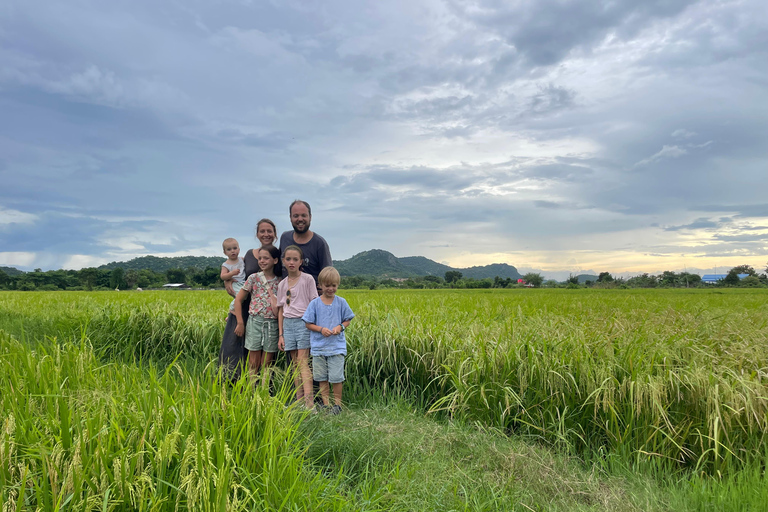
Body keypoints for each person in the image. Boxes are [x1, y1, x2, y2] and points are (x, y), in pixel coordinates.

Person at [219, 219, 280, 381]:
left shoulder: (278, 254)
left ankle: (266, 388)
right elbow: (240, 276)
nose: (266, 234)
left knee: (267, 357)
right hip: (250, 311)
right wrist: (228, 280)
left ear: (275, 233)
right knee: (239, 349)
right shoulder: (249, 256)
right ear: (257, 234)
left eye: (269, 231)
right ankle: (237, 384)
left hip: (270, 318)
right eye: (262, 231)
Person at [302, 267, 354, 414]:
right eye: (327, 285)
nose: (330, 289)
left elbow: (347, 319)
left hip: (337, 347)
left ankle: (337, 405)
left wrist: (340, 327)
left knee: (336, 377)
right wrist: (321, 329)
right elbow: (308, 323)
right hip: (318, 347)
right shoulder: (314, 304)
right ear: (320, 285)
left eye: (334, 286)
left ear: (337, 285)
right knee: (321, 377)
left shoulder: (341, 302)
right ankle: (325, 404)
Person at [277, 245, 318, 409]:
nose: (291, 262)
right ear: (283, 261)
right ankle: (299, 401)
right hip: (288, 324)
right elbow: (280, 309)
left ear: (301, 261)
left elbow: (314, 304)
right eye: (288, 259)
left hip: (303, 323)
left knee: (303, 362)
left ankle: (310, 405)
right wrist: (281, 334)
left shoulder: (308, 279)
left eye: (295, 259)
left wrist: (311, 326)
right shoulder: (282, 284)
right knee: (294, 364)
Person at [232, 245, 281, 380]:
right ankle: (251, 394)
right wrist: (240, 323)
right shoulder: (254, 278)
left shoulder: (280, 281)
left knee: (267, 363)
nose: (262, 261)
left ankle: (263, 394)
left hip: (272, 324)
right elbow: (238, 300)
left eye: (266, 258)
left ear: (275, 260)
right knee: (253, 362)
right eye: (260, 258)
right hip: (255, 322)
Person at [279, 200, 332, 289]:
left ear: (310, 217)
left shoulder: (319, 243)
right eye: (296, 216)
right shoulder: (285, 238)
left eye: (304, 215)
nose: (300, 219)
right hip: (286, 296)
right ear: (290, 218)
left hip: (311, 298)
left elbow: (329, 275)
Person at [220, 238, 245, 315]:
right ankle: (232, 308)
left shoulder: (242, 259)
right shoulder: (226, 264)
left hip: (243, 282)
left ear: (239, 249)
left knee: (245, 297)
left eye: (235, 248)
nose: (232, 251)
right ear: (225, 252)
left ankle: (232, 314)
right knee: (240, 296)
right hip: (235, 283)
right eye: (229, 249)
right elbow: (223, 276)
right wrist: (231, 273)